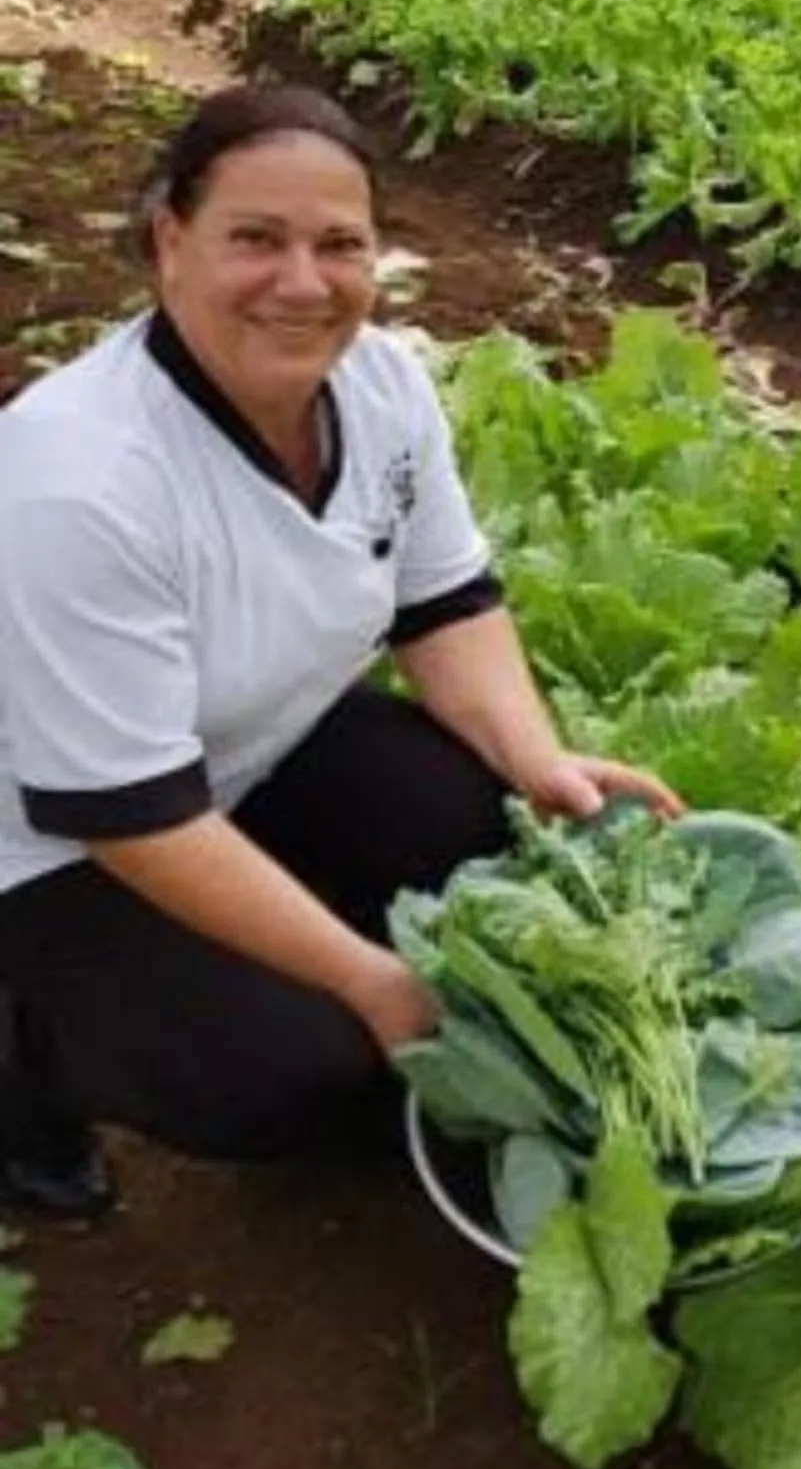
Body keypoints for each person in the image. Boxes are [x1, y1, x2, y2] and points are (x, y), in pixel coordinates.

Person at [0, 82, 679, 1217]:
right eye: (254, 240)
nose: (302, 284)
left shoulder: (379, 384)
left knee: (475, 817)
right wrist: (368, 979)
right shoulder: (78, 477)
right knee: (288, 1070)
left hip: (228, 751)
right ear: (170, 242)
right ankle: (23, 1065)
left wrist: (542, 762)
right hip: (51, 837)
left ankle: (254, 960)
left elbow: (446, 607)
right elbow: (126, 814)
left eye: (339, 244)